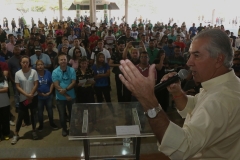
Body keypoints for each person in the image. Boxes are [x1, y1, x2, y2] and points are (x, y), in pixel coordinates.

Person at [119, 29, 240, 159]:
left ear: (218, 59)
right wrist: (177, 92)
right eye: (190, 55)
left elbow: (182, 148)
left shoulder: (222, 99)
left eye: (197, 56)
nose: (188, 62)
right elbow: (195, 106)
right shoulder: (220, 85)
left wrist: (148, 100)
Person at [11, 55, 39, 145]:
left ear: (29, 63)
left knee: (33, 114)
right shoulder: (18, 73)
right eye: (23, 62)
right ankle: (16, 134)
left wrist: (31, 95)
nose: (25, 64)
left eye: (27, 62)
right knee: (20, 116)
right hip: (24, 99)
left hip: (33, 97)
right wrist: (27, 95)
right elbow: (17, 87)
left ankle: (34, 131)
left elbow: (36, 84)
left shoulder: (33, 72)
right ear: (20, 63)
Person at [52, 53, 76, 137]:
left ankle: (72, 128)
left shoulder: (72, 70)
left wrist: (65, 90)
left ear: (67, 60)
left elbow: (73, 82)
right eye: (61, 60)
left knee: (72, 114)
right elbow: (56, 85)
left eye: (64, 59)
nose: (63, 61)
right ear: (58, 61)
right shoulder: (55, 72)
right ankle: (64, 129)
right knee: (62, 115)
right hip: (60, 97)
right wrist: (66, 95)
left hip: (71, 96)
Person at [36, 60, 58, 131]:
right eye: (38, 65)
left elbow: (52, 83)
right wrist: (39, 93)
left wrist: (50, 92)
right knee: (40, 111)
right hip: (39, 96)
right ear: (36, 66)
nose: (40, 66)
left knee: (50, 110)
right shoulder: (35, 74)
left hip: (48, 95)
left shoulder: (48, 73)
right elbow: (33, 85)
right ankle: (41, 125)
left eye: (41, 64)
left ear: (44, 65)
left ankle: (51, 123)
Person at [0, 67, 10, 141]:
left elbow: (6, 89)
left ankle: (6, 133)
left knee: (5, 120)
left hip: (4, 103)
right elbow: (3, 89)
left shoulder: (4, 78)